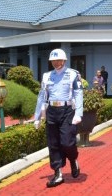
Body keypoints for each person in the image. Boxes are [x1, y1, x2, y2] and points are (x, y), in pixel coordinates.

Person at [33, 48, 83, 188]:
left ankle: (73, 159)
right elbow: (42, 96)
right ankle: (58, 173)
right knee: (53, 143)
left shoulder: (73, 74)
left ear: (64, 60)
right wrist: (37, 117)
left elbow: (78, 94)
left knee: (67, 142)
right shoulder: (46, 76)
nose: (56, 63)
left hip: (67, 110)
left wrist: (79, 113)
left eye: (59, 60)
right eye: (53, 61)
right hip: (51, 111)